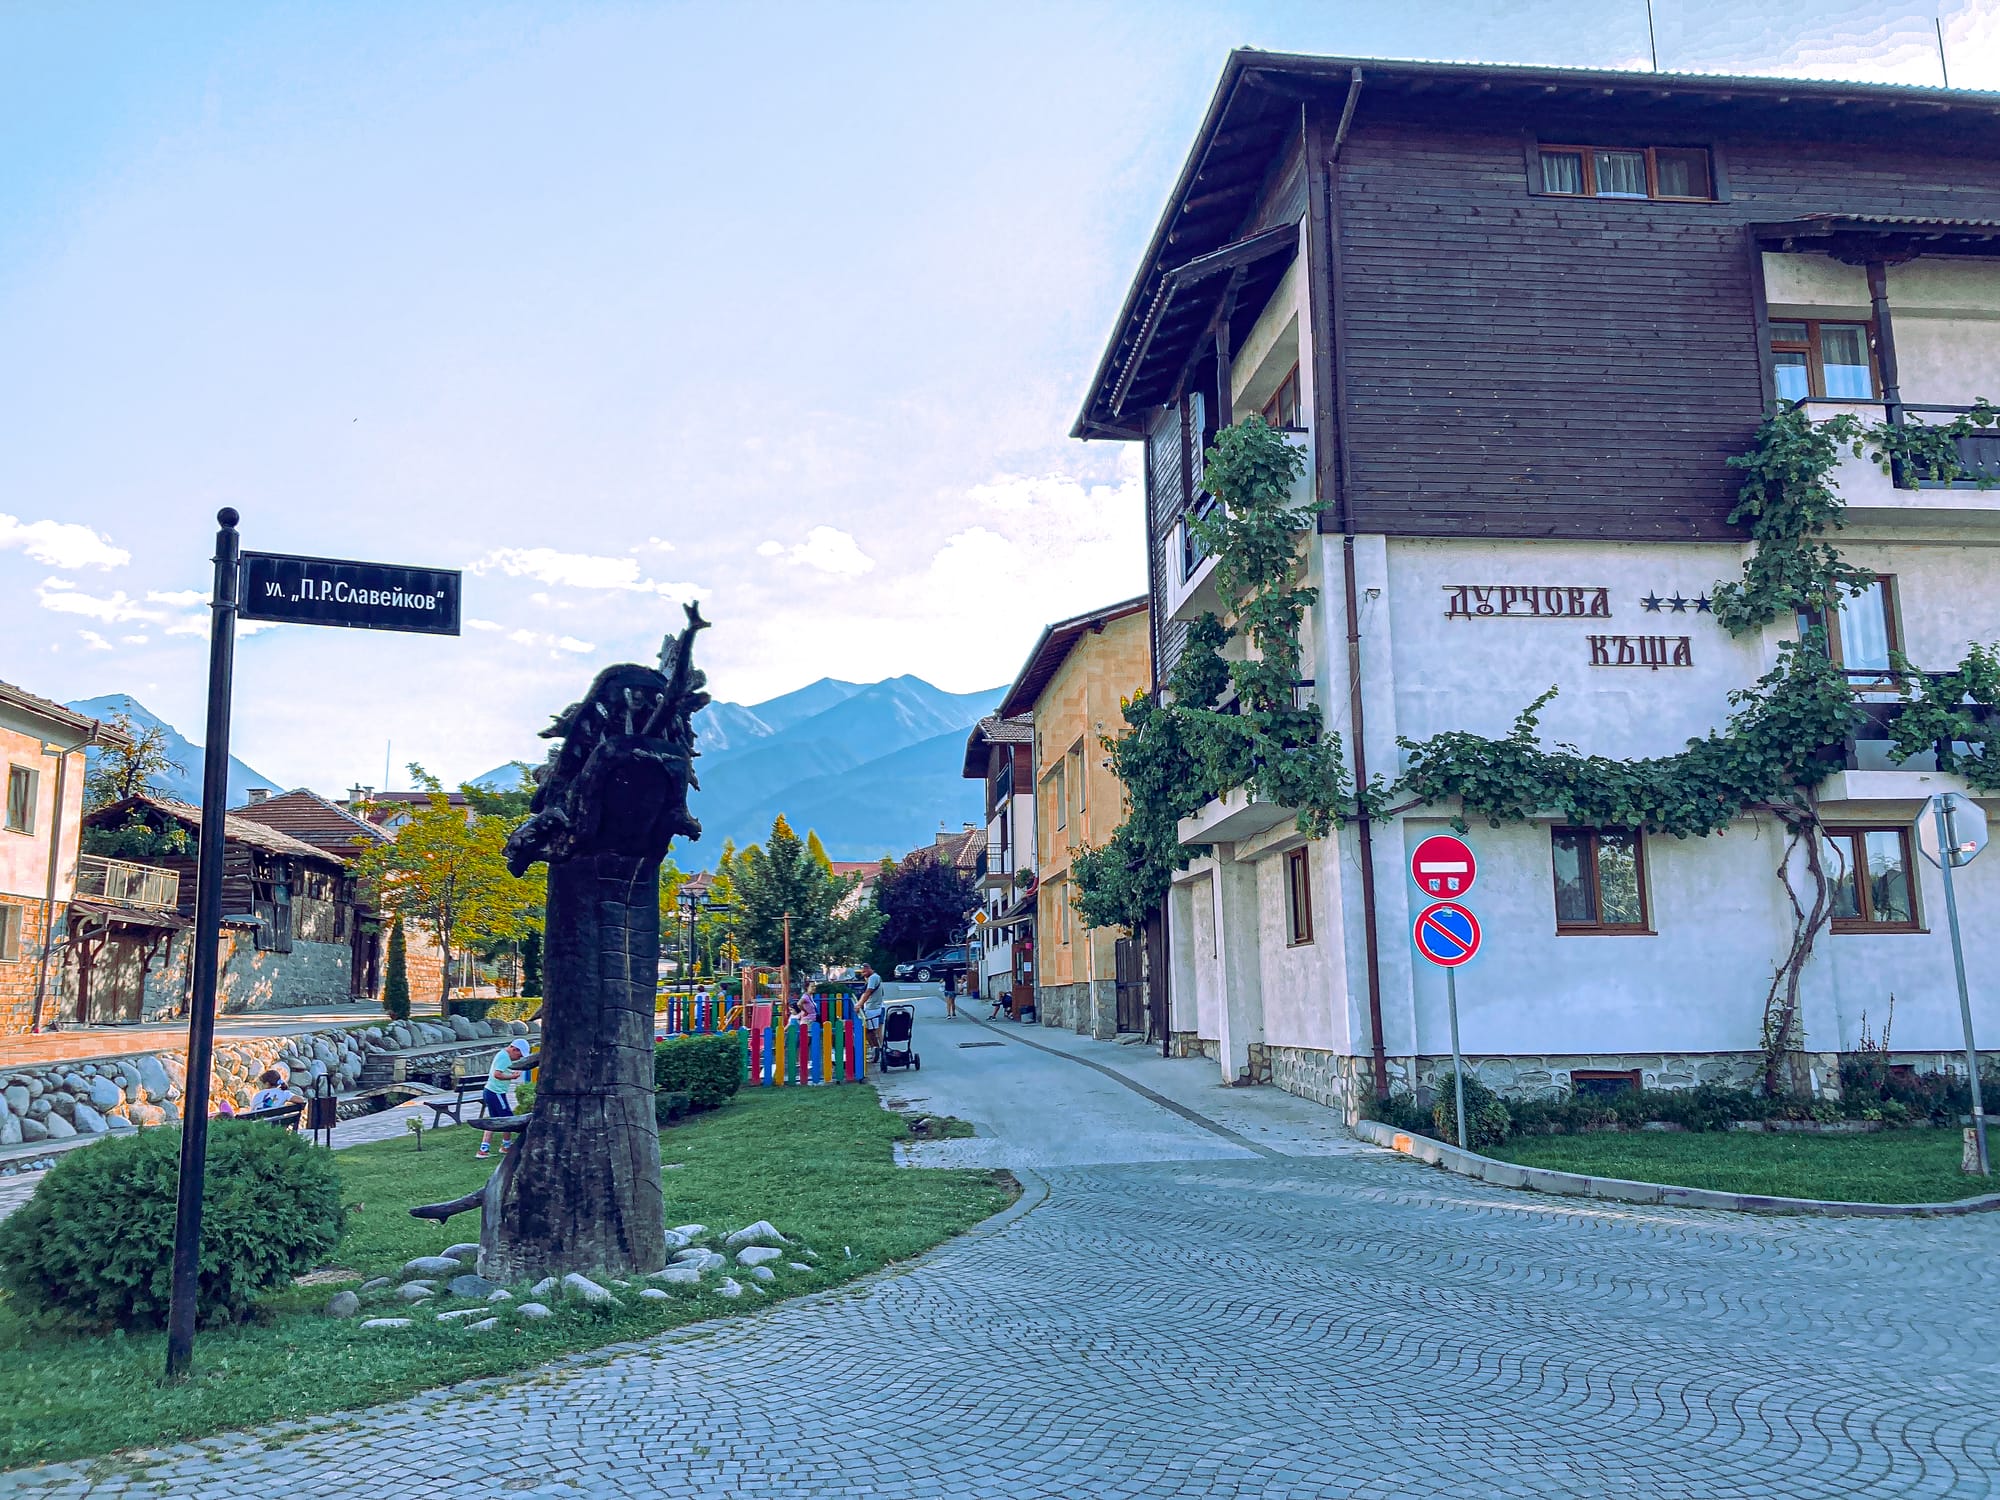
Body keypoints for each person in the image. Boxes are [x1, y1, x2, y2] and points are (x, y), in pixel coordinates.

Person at [478, 1036, 533, 1159]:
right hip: (496, 1092)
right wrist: (512, 1077)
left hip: (492, 1092)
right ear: (514, 1049)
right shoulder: (504, 1057)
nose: (518, 1058)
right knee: (507, 1120)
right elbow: (497, 1074)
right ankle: (506, 1146)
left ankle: (484, 1149)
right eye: (519, 1055)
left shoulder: (502, 1055)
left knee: (494, 1120)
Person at [859, 964, 885, 1052]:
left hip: (873, 1008)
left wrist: (859, 1004)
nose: (863, 974)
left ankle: (876, 1050)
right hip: (880, 1007)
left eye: (864, 972)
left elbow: (868, 992)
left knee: (870, 1031)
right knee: (878, 1032)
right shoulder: (877, 977)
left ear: (868, 969)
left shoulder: (873, 978)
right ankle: (882, 1050)